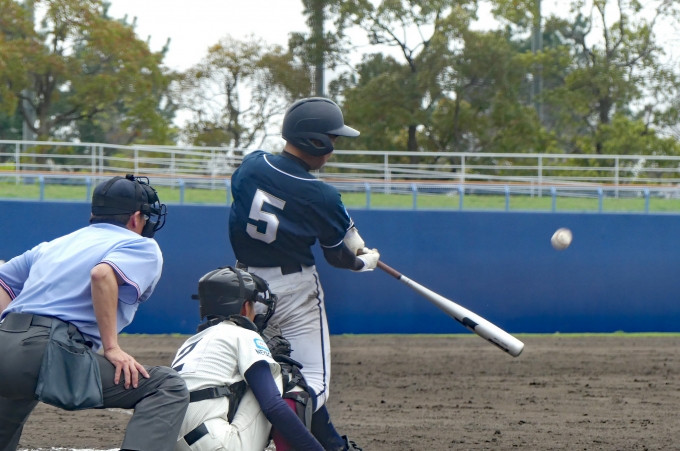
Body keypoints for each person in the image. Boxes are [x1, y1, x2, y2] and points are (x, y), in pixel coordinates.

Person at [0, 174, 189, 451]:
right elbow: (102, 275)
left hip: (5, 341)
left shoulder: (54, 245)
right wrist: (112, 347)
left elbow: (3, 280)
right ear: (136, 218)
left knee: (13, 401)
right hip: (49, 350)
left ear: (94, 213)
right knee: (167, 386)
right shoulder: (141, 245)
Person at [228, 97, 376, 450]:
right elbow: (338, 256)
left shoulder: (251, 164)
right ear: (316, 141)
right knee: (313, 386)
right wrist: (363, 262)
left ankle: (332, 445)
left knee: (245, 370)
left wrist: (347, 232)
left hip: (241, 286)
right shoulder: (322, 195)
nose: (334, 146)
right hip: (294, 290)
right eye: (332, 138)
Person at [172, 266, 328, 451]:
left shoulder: (190, 344)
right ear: (245, 307)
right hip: (220, 444)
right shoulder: (242, 333)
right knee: (284, 374)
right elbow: (273, 406)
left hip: (176, 445)